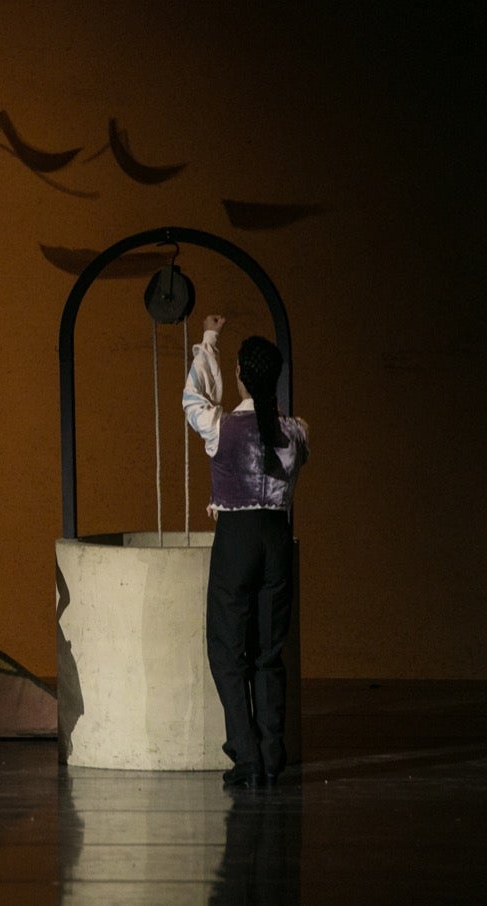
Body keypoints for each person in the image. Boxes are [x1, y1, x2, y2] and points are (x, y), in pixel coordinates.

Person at [182, 315, 309, 788]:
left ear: (239, 374)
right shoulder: (295, 433)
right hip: (276, 538)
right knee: (268, 651)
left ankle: (248, 755)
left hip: (236, 539)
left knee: (226, 648)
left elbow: (193, 398)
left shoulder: (221, 426)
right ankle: (271, 756)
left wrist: (208, 341)